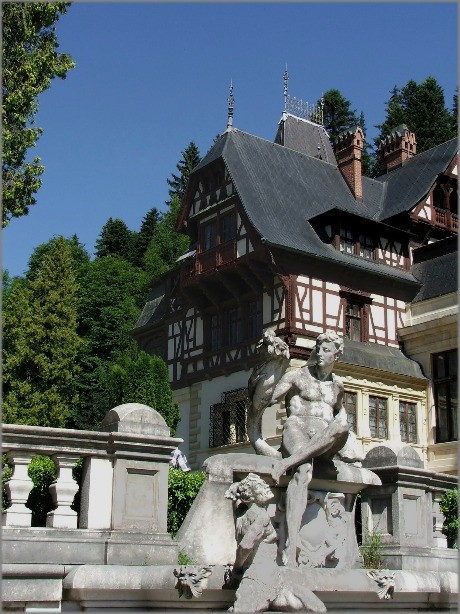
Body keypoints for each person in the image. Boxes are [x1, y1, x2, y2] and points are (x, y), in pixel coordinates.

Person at [269, 330, 352, 567]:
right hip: (297, 429)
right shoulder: (297, 377)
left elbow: (340, 418)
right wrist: (271, 369)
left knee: (342, 425)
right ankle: (292, 541)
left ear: (337, 354)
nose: (320, 354)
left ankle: (288, 462)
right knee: (303, 469)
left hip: (324, 439)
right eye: (319, 348)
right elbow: (270, 398)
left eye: (327, 350)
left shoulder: (338, 385)